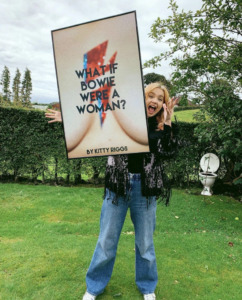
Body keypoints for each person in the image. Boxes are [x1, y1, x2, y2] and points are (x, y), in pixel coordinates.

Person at [45, 82, 179, 300]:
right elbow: (95, 127)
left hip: (145, 190)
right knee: (106, 239)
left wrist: (168, 122)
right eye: (150, 96)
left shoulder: (164, 127)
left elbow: (168, 153)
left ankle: (147, 287)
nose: (154, 101)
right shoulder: (121, 118)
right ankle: (94, 287)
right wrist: (68, 120)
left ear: (164, 104)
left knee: (145, 243)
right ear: (142, 97)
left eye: (160, 98)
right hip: (117, 186)